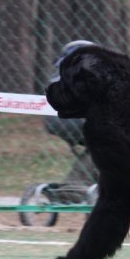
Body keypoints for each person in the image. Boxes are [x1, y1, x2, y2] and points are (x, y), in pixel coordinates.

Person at [43, 40, 99, 200]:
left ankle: (74, 183)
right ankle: (77, 185)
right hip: (83, 119)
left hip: (55, 120)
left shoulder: (59, 74)